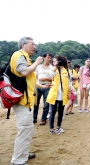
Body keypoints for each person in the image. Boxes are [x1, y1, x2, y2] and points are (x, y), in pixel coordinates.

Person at [10, 37, 45, 165]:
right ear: (23, 44)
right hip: (22, 101)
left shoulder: (25, 57)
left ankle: (23, 154)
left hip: (27, 101)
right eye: (32, 44)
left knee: (27, 129)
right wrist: (37, 63)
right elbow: (24, 72)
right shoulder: (19, 55)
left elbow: (30, 80)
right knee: (24, 129)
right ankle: (18, 160)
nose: (34, 46)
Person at [46, 55, 70, 134]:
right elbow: (50, 74)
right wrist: (55, 66)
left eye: (55, 61)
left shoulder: (66, 71)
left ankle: (58, 127)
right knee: (52, 112)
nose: (53, 62)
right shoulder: (53, 69)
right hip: (54, 94)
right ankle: (51, 129)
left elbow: (68, 83)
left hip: (62, 95)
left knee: (61, 111)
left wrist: (69, 92)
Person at [33, 52, 53, 125]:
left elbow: (54, 79)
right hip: (38, 86)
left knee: (46, 104)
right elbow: (35, 76)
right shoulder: (38, 67)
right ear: (43, 58)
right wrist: (36, 83)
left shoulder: (52, 68)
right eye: (48, 57)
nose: (49, 59)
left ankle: (43, 119)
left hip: (47, 86)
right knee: (35, 103)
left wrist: (46, 79)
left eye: (50, 57)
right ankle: (34, 118)